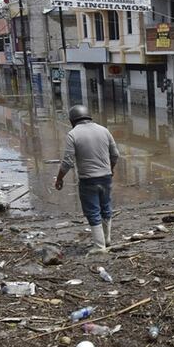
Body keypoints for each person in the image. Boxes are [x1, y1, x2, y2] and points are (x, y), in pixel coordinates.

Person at [54, 105, 119, 254]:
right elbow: (115, 155)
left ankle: (99, 246)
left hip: (88, 180)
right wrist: (111, 169)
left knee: (93, 212)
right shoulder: (104, 130)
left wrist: (59, 179)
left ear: (72, 120)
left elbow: (68, 162)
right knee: (106, 208)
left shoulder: (73, 134)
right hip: (106, 178)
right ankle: (107, 239)